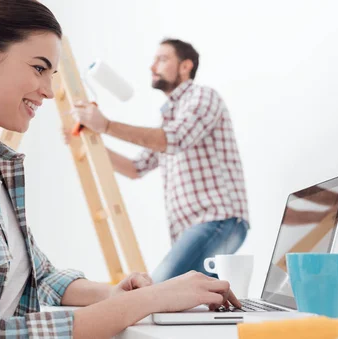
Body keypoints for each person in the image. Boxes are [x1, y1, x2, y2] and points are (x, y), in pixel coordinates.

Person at [0, 2, 240, 338]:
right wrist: (149, 299)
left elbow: (39, 274)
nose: (50, 92)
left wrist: (115, 293)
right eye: (39, 68)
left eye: (52, 74)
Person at [70, 39, 250, 283]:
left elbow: (175, 139)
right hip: (195, 228)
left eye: (162, 59)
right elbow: (136, 168)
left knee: (158, 290)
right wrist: (88, 142)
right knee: (184, 299)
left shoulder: (203, 97)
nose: (152, 66)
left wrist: (107, 126)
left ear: (186, 66)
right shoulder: (169, 118)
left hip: (218, 220)